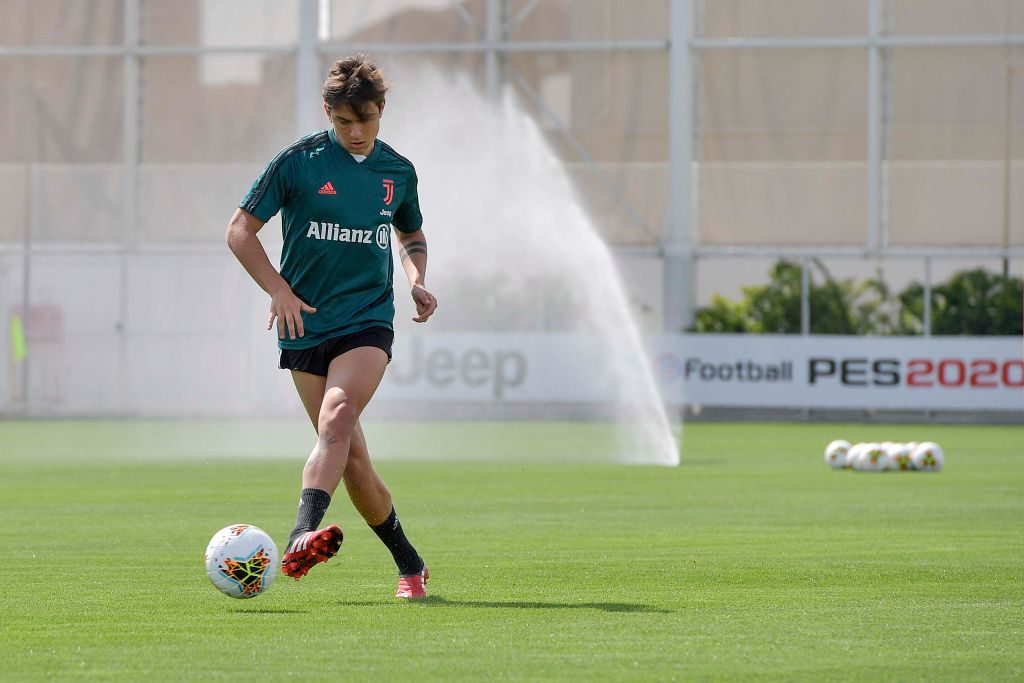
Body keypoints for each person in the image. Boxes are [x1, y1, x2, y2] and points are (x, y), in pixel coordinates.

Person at [226, 54, 437, 599]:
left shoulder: (398, 171)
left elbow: (412, 236)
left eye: (365, 120)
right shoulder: (298, 162)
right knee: (352, 459)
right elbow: (239, 231)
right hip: (303, 325)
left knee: (338, 415)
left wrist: (416, 277)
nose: (356, 132)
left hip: (367, 319)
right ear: (328, 112)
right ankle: (410, 563)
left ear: (380, 111)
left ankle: (300, 534)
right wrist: (278, 289)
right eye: (344, 122)